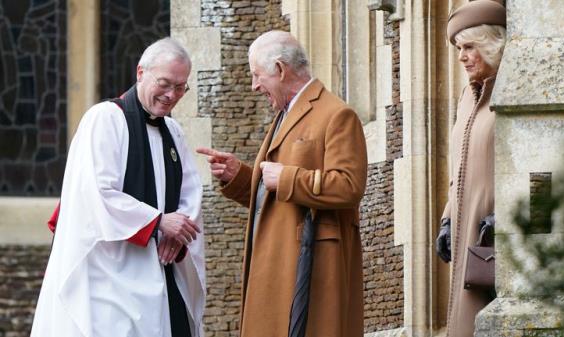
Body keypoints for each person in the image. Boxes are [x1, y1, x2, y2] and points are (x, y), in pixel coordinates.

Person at [31, 38, 206, 337]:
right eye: (165, 83)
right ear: (141, 73)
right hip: (111, 274)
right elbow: (95, 192)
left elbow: (191, 191)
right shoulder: (104, 120)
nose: (171, 95)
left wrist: (180, 232)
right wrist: (159, 222)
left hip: (162, 267)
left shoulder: (173, 131)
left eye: (180, 87)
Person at [197, 30, 367, 337]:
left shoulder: (337, 114)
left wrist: (286, 177)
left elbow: (349, 186)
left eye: (257, 75)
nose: (254, 86)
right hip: (276, 264)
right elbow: (275, 193)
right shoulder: (284, 115)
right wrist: (239, 176)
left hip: (312, 268)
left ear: (280, 69)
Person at [435, 1, 507, 336]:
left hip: (497, 241)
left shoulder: (509, 94)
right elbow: (459, 168)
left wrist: (504, 216)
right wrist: (447, 219)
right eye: (459, 48)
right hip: (467, 236)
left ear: (493, 44)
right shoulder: (467, 96)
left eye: (469, 47)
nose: (462, 56)